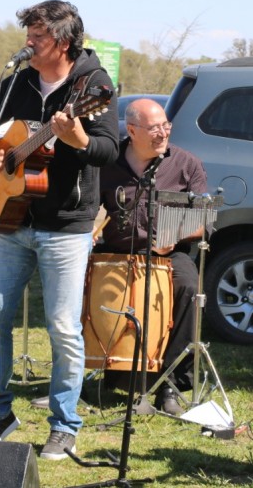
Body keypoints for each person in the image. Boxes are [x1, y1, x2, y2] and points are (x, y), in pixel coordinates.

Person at [0, 0, 118, 459]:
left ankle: (65, 425)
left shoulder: (94, 86)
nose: (28, 43)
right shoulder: (20, 82)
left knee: (63, 327)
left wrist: (78, 139)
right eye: (28, 34)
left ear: (64, 43)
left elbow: (107, 151)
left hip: (67, 226)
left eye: (38, 37)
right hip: (11, 220)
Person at [97, 98, 208, 415]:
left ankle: (170, 385)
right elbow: (88, 208)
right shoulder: (107, 162)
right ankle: (93, 368)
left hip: (168, 253)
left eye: (166, 126)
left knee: (189, 288)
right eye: (155, 128)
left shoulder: (187, 164)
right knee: (78, 279)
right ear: (131, 130)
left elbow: (204, 221)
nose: (163, 133)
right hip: (117, 253)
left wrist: (169, 239)